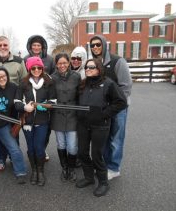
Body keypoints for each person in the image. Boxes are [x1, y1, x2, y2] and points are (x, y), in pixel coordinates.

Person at [75, 58, 127, 197]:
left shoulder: (108, 83)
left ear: (99, 68)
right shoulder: (82, 84)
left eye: (91, 67)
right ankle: (89, 177)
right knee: (82, 152)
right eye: (86, 67)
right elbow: (76, 101)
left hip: (100, 125)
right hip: (83, 125)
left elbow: (121, 102)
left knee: (97, 155)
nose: (87, 69)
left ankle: (103, 182)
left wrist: (104, 114)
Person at [89, 35, 132, 180]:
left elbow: (126, 87)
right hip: (103, 109)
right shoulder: (94, 63)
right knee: (105, 138)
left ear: (104, 45)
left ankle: (114, 167)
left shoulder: (117, 61)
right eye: (93, 45)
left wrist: (118, 105)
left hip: (118, 108)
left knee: (116, 138)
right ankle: (105, 165)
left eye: (98, 44)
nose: (95, 47)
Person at [0, 36, 27, 171]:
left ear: (9, 46)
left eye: (5, 45)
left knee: (14, 131)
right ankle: (1, 157)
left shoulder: (18, 61)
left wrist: (22, 101)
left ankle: (14, 157)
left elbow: (23, 81)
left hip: (13, 103)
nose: (2, 47)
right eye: (0, 45)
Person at [14, 56, 56, 186]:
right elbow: (16, 102)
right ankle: (34, 171)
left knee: (39, 147)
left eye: (39, 67)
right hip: (27, 121)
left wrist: (44, 106)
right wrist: (24, 107)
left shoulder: (48, 82)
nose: (36, 70)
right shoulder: (23, 83)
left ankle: (40, 171)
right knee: (30, 148)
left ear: (42, 68)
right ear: (29, 68)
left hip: (42, 121)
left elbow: (53, 101)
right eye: (33, 67)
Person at [24, 35, 56, 162]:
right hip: (30, 96)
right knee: (31, 130)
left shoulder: (49, 59)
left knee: (45, 130)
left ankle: (42, 149)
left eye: (39, 45)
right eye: (34, 45)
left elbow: (53, 75)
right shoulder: (25, 59)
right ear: (30, 47)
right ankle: (35, 151)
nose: (36, 47)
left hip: (45, 96)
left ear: (42, 47)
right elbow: (24, 76)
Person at [50, 53, 81, 182]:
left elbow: (80, 95)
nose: (62, 65)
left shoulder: (76, 76)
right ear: (56, 64)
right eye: (59, 63)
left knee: (72, 145)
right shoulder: (52, 78)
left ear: (68, 63)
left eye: (64, 63)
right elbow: (50, 97)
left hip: (73, 114)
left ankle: (72, 168)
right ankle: (65, 168)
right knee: (61, 143)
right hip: (58, 115)